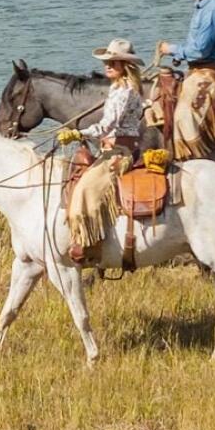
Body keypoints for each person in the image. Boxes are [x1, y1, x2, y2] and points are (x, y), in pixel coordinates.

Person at [61, 40, 150, 269]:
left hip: (121, 151)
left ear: (125, 65)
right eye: (106, 62)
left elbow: (107, 126)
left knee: (87, 188)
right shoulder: (118, 88)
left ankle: (90, 243)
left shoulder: (125, 91)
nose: (107, 66)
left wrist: (76, 133)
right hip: (114, 146)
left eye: (113, 62)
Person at [155, 0, 215, 161]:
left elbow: (200, 51)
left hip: (208, 71)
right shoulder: (203, 7)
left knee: (184, 115)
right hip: (197, 68)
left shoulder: (213, 9)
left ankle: (197, 158)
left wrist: (171, 49)